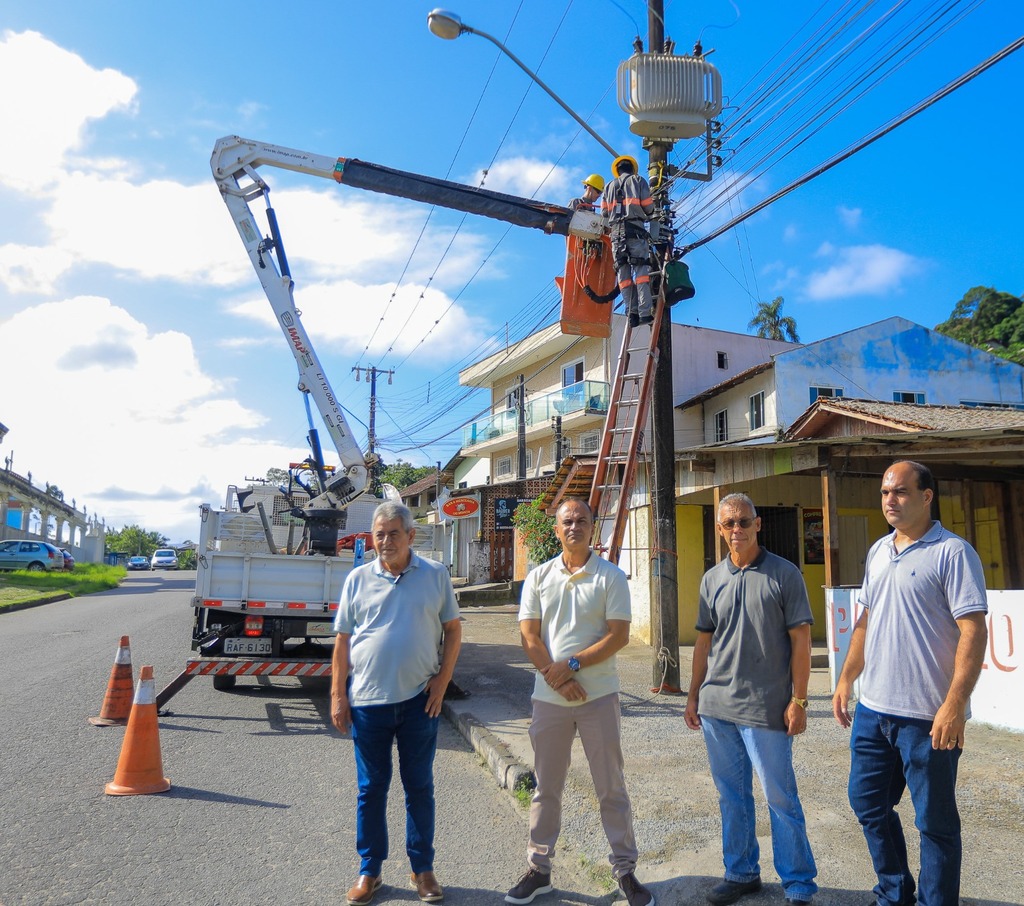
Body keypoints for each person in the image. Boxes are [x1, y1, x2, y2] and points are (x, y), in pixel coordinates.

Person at [833, 460, 988, 906]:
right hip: (874, 711)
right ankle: (894, 892)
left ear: (926, 496)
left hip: (928, 718)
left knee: (935, 823)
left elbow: (973, 631)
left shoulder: (952, 552)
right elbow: (865, 620)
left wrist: (955, 703)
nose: (890, 501)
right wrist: (846, 679)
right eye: (885, 493)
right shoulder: (880, 551)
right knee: (867, 804)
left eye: (900, 492)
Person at [505, 498, 654, 906]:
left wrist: (570, 665)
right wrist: (556, 678)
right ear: (556, 530)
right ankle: (539, 869)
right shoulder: (537, 577)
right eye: (567, 521)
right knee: (546, 787)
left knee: (611, 787)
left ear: (594, 529)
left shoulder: (610, 576)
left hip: (599, 697)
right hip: (549, 699)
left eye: (582, 521)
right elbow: (529, 637)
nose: (574, 527)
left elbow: (618, 635)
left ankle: (626, 872)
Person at [685, 493, 818, 906]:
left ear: (758, 524)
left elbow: (802, 641)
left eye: (744, 521)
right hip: (717, 708)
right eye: (729, 524)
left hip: (765, 708)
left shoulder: (784, 574)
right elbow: (703, 644)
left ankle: (798, 883)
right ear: (720, 529)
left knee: (780, 796)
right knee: (732, 796)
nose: (736, 529)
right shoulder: (711, 579)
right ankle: (741, 873)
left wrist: (800, 700)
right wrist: (692, 696)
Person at [331, 501, 462, 906]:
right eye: (379, 534)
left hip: (419, 702)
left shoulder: (435, 576)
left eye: (392, 533)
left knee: (419, 787)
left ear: (411, 536)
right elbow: (342, 642)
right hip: (368, 703)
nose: (385, 541)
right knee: (371, 790)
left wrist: (442, 682)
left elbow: (453, 631)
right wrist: (338, 695)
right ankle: (369, 870)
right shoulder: (357, 579)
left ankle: (422, 869)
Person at [600, 154, 655, 328]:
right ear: (632, 169)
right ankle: (645, 313)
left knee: (623, 276)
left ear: (617, 170)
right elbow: (648, 206)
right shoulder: (639, 181)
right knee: (641, 273)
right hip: (636, 232)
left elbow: (604, 214)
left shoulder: (608, 187)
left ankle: (631, 313)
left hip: (617, 236)